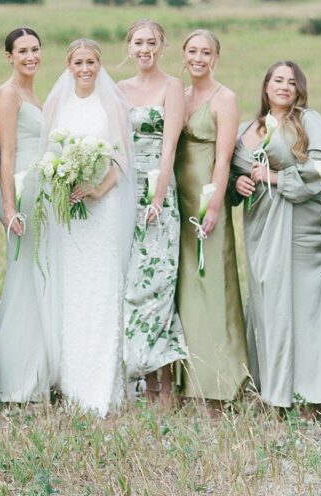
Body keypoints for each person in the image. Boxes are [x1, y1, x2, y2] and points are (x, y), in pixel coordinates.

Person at [37, 39, 136, 417]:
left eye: (91, 62)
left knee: (102, 287)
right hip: (71, 209)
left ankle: (103, 387)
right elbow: (48, 154)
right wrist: (61, 181)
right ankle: (74, 385)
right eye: (78, 62)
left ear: (99, 64)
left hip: (102, 206)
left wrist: (97, 189)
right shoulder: (56, 104)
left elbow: (122, 157)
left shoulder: (111, 103)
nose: (85, 69)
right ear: (68, 65)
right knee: (74, 290)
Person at [231, 60, 321, 411]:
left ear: (299, 89)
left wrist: (276, 177)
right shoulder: (246, 128)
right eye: (278, 80)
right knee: (268, 305)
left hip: (300, 225)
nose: (284, 87)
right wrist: (238, 183)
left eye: (292, 82)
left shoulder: (309, 121)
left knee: (303, 305)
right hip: (260, 226)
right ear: (266, 86)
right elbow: (232, 173)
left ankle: (309, 394)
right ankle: (273, 389)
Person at [175, 30, 248, 406]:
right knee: (185, 286)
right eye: (192, 51)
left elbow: (223, 158)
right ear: (183, 55)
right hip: (177, 201)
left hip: (206, 198)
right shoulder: (179, 95)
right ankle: (185, 378)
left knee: (212, 281)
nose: (198, 58)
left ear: (216, 58)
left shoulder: (225, 98)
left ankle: (221, 380)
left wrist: (216, 204)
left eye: (206, 52)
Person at [118, 20, 187, 402]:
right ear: (129, 47)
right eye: (139, 42)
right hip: (124, 194)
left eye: (152, 42)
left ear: (161, 46)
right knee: (131, 285)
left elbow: (170, 145)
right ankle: (140, 375)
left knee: (159, 282)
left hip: (159, 191)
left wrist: (157, 198)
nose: (145, 49)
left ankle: (165, 383)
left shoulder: (172, 86)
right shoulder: (118, 89)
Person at [0, 27, 49, 402]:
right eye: (22, 51)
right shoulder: (8, 93)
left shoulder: (34, 95)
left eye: (35, 49)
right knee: (24, 280)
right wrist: (10, 208)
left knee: (37, 279)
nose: (30, 56)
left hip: (40, 193)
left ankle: (39, 369)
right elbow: (7, 153)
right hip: (20, 193)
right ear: (9, 57)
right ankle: (16, 379)